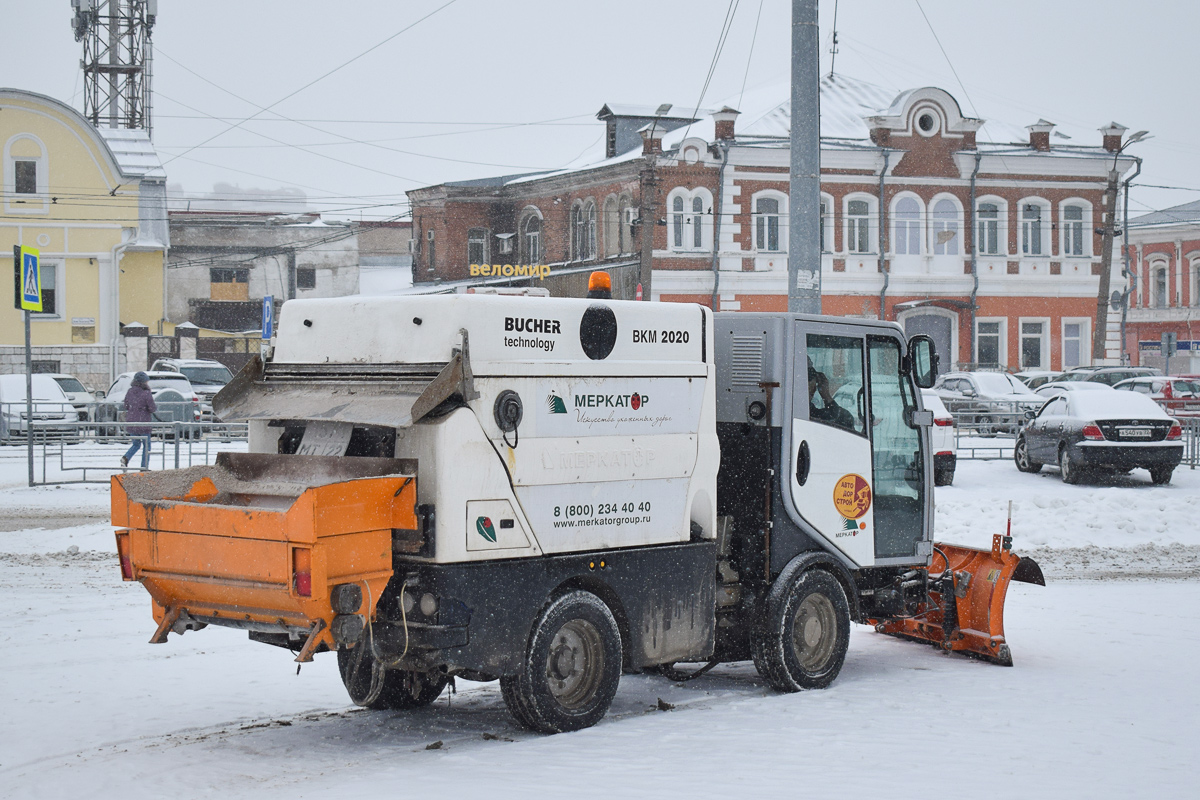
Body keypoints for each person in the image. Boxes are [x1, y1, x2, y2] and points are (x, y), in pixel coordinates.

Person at [121, 372, 156, 469]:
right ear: (143, 382)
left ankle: (126, 457)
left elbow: (126, 405)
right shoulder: (146, 393)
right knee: (146, 447)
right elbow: (152, 407)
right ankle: (144, 467)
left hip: (132, 423)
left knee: (136, 444)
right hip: (144, 423)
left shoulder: (130, 391)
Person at [808, 361, 855, 431]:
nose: (813, 391)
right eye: (811, 389)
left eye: (814, 388)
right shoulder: (802, 412)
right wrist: (826, 395)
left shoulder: (808, 410)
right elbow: (838, 417)